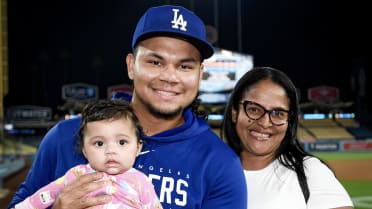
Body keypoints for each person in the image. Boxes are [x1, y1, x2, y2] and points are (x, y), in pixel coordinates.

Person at [8, 5, 247, 209]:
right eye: (155, 62)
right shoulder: (65, 137)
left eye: (185, 66)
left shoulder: (220, 163)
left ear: (199, 74)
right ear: (131, 66)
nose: (170, 77)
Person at [221, 66, 354, 209]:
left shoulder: (310, 171)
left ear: (289, 120)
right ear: (235, 112)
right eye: (254, 109)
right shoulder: (208, 170)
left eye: (278, 113)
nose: (265, 123)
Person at [13, 100, 163, 209]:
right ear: (85, 150)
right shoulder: (77, 175)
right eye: (99, 143)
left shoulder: (141, 182)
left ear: (138, 147)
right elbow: (46, 194)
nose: (111, 150)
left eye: (122, 142)